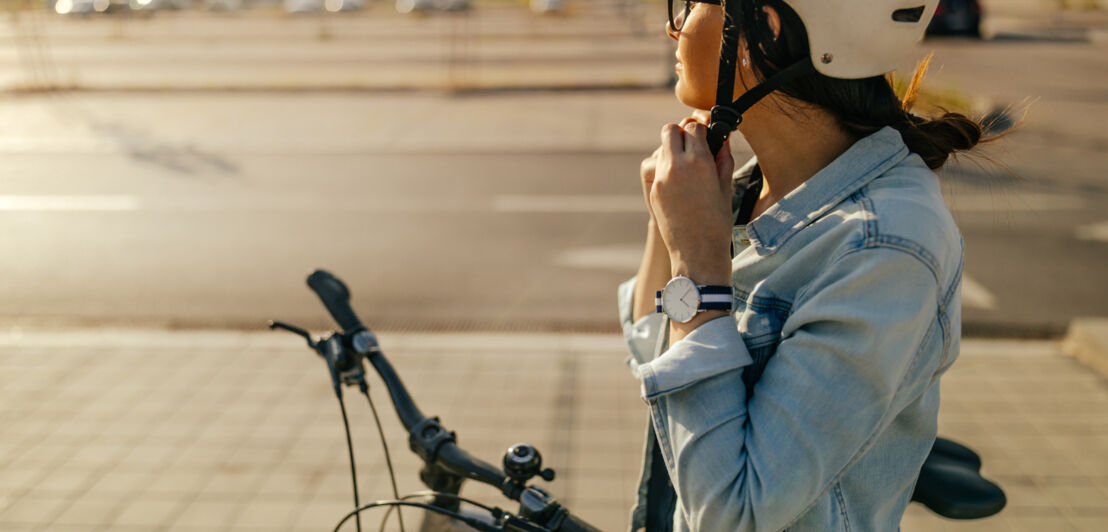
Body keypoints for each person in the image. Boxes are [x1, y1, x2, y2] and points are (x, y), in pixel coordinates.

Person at [617, 0, 989, 530]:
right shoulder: (759, 188)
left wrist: (697, 262)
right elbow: (650, 348)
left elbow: (733, 514)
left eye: (697, 1)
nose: (674, 25)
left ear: (764, 27)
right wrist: (670, 220)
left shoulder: (882, 248)